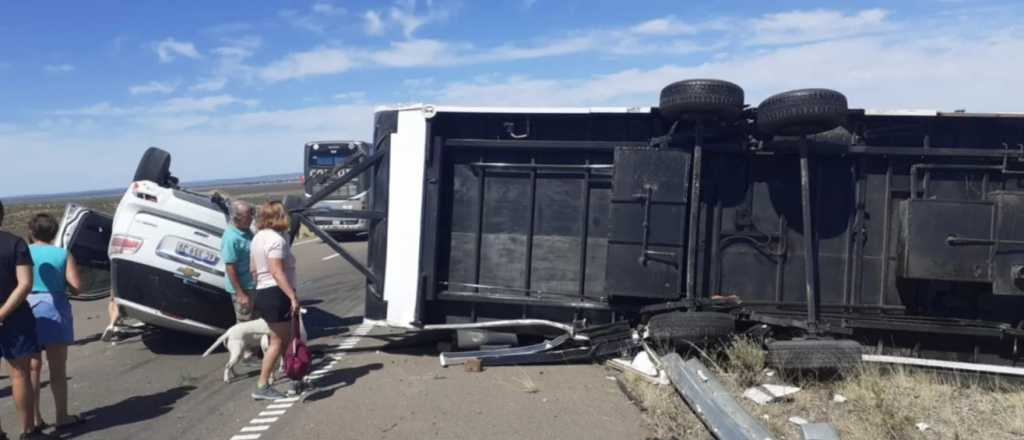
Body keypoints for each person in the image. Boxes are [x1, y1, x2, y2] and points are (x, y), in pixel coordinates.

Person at [26, 214, 86, 432]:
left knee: (32, 368)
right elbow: (77, 286)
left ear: (31, 232)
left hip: (27, 308)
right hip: (54, 308)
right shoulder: (62, 254)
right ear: (54, 233)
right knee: (57, 369)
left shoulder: (23, 252)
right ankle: (62, 416)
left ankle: (34, 418)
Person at [0, 201, 51, 440]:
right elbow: (25, 284)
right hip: (16, 316)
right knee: (19, 373)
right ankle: (28, 430)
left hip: (12, 317)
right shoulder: (16, 243)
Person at [249, 201, 300, 401]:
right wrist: (292, 296)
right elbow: (277, 272)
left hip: (263, 290)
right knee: (277, 342)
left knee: (284, 340)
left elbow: (254, 269)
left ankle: (294, 378)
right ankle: (262, 385)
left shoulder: (257, 238)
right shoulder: (275, 241)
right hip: (276, 292)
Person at [222, 201, 256, 323]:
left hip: (252, 284)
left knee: (257, 321)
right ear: (237, 218)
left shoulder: (247, 231)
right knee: (245, 324)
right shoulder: (231, 238)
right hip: (243, 288)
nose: (252, 218)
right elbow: (230, 267)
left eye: (252, 214)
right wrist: (240, 294)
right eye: (248, 215)